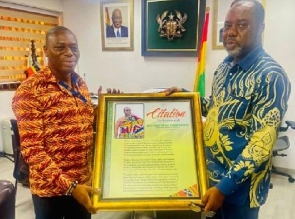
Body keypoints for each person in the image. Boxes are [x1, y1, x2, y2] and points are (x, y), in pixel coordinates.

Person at [164, 0, 291, 218]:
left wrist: (224, 187)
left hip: (240, 191)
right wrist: (187, 96)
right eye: (227, 25)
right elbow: (216, 108)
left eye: (242, 25)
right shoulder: (225, 67)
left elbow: (261, 144)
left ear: (260, 28)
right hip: (210, 180)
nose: (230, 32)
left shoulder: (270, 76)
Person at [11, 26, 119, 219]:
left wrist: (104, 108)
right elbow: (33, 151)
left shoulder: (79, 83)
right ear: (46, 50)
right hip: (51, 192)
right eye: (60, 47)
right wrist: (70, 187)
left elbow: (83, 122)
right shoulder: (30, 91)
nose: (69, 53)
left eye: (74, 47)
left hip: (83, 183)